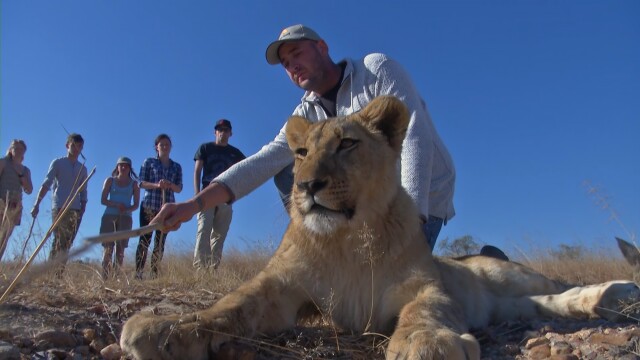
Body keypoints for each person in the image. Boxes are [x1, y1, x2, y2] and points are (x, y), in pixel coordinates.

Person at [152, 24, 455, 250]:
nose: (292, 66)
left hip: (420, 194)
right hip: (362, 208)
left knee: (394, 294)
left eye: (296, 53)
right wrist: (192, 205)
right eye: (285, 64)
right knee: (289, 165)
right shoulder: (305, 113)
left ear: (322, 47)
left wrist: (410, 220)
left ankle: (485, 268)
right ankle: (318, 238)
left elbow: (415, 132)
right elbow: (263, 161)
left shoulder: (375, 70)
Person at [193, 119, 246, 270]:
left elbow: (247, 168)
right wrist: (197, 195)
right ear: (215, 132)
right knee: (203, 230)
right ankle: (200, 269)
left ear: (231, 133)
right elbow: (197, 171)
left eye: (226, 130)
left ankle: (213, 268)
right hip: (206, 193)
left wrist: (236, 191)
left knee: (219, 234)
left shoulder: (234, 153)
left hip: (225, 196)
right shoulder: (205, 148)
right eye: (220, 129)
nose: (223, 132)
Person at [32, 133, 88, 275]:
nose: (77, 149)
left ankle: (59, 274)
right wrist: (37, 203)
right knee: (58, 240)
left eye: (80, 146)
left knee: (68, 243)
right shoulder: (58, 163)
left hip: (76, 208)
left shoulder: (83, 168)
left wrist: (83, 208)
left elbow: (84, 191)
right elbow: (47, 183)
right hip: (60, 205)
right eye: (74, 145)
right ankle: (50, 273)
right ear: (67, 145)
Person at [135, 134, 182, 279]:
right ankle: (138, 273)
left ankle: (154, 274)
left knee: (160, 242)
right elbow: (140, 183)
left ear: (171, 147)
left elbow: (179, 188)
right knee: (145, 240)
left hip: (166, 208)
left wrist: (169, 185)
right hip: (149, 206)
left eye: (167, 144)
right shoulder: (149, 162)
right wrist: (157, 185)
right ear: (157, 147)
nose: (165, 147)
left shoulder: (176, 166)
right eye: (162, 144)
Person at [99, 157, 140, 279]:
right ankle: (105, 278)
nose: (123, 168)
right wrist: (117, 205)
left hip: (125, 217)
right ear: (117, 167)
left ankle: (117, 278)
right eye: (121, 165)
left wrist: (126, 209)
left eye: (126, 166)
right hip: (109, 216)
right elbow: (103, 200)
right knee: (108, 247)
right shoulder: (110, 181)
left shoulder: (134, 184)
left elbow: (136, 205)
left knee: (120, 249)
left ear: (129, 168)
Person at [0, 139, 34, 261]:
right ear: (10, 149)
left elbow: (29, 190)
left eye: (20, 148)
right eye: (15, 147)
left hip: (15, 205)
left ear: (24, 151)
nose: (17, 150)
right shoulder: (3, 162)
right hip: (2, 202)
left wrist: (21, 177)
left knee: (4, 238)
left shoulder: (25, 170)